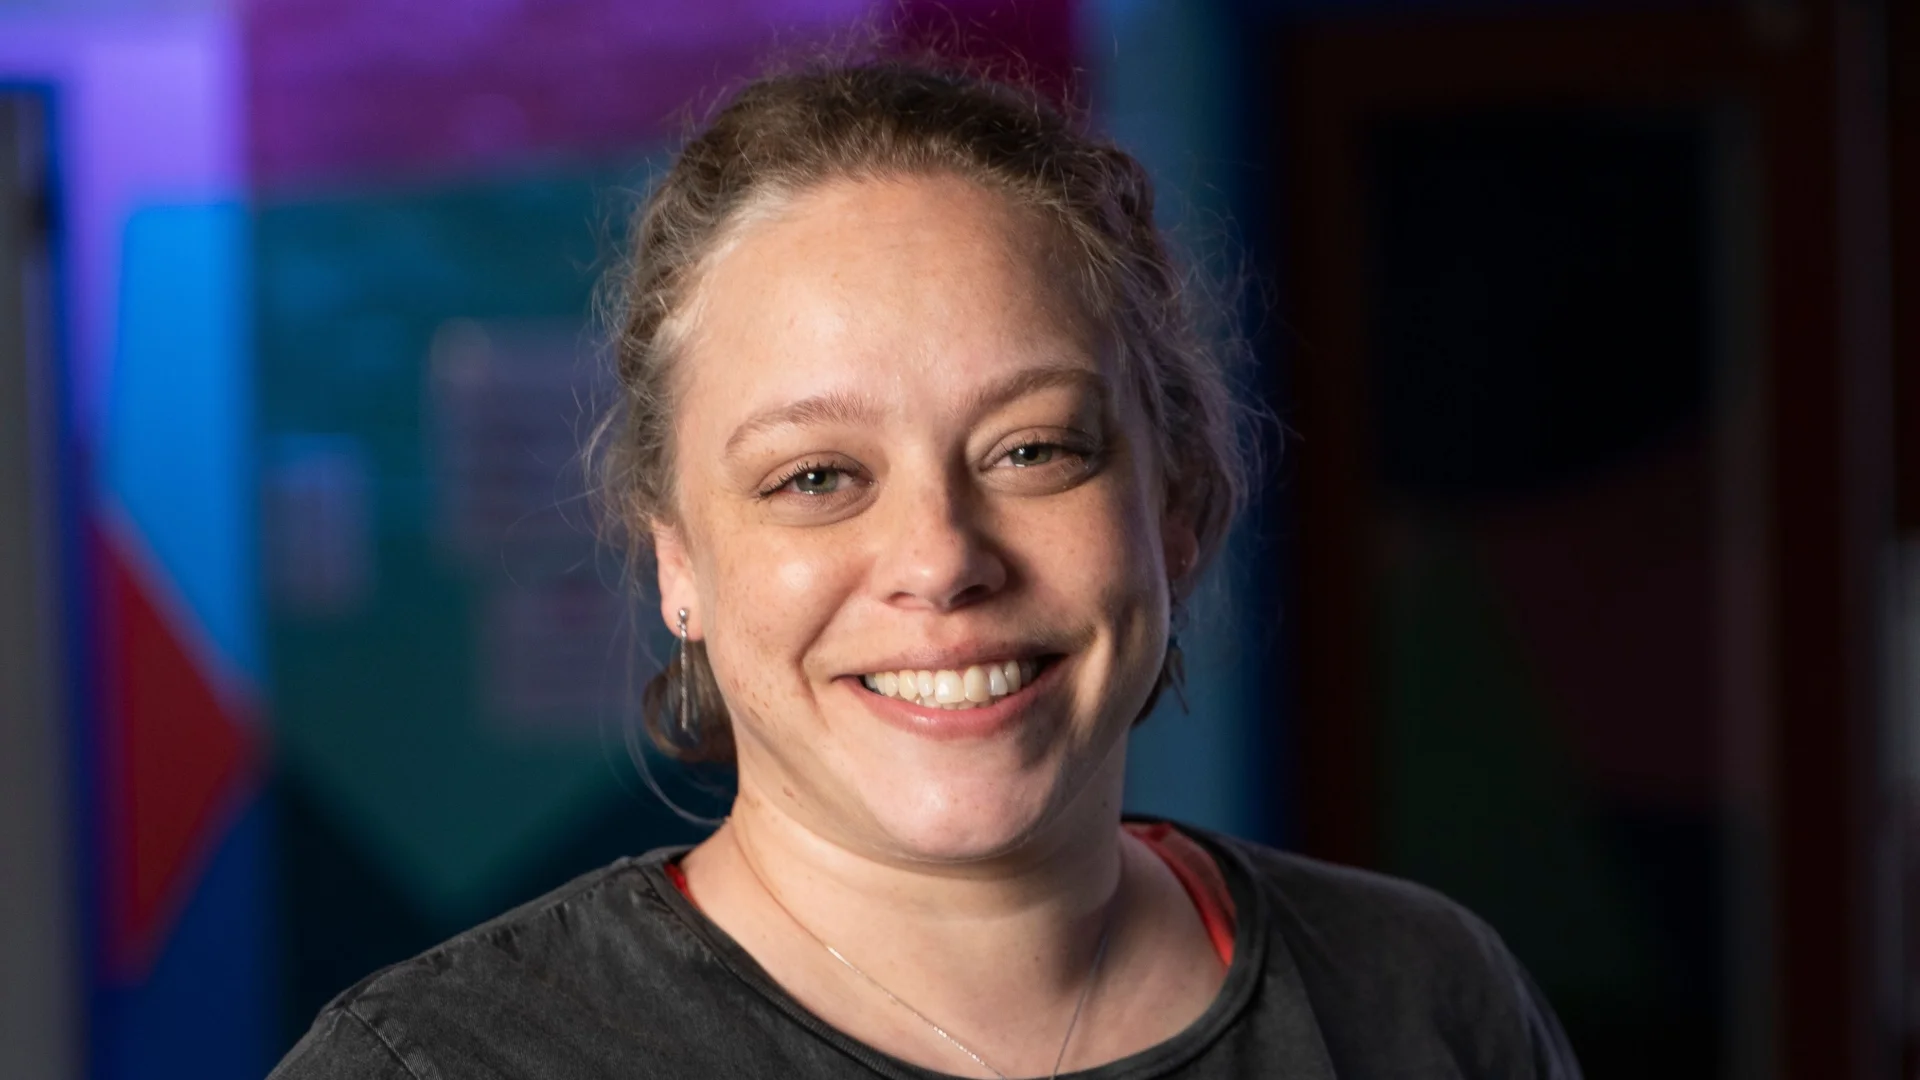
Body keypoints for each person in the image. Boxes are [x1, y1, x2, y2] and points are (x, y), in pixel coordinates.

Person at [270, 59, 1581, 1080]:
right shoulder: (445, 1064)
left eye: (1032, 450)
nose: (942, 559)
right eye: (816, 478)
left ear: (1175, 512)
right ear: (679, 564)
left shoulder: (1420, 998)